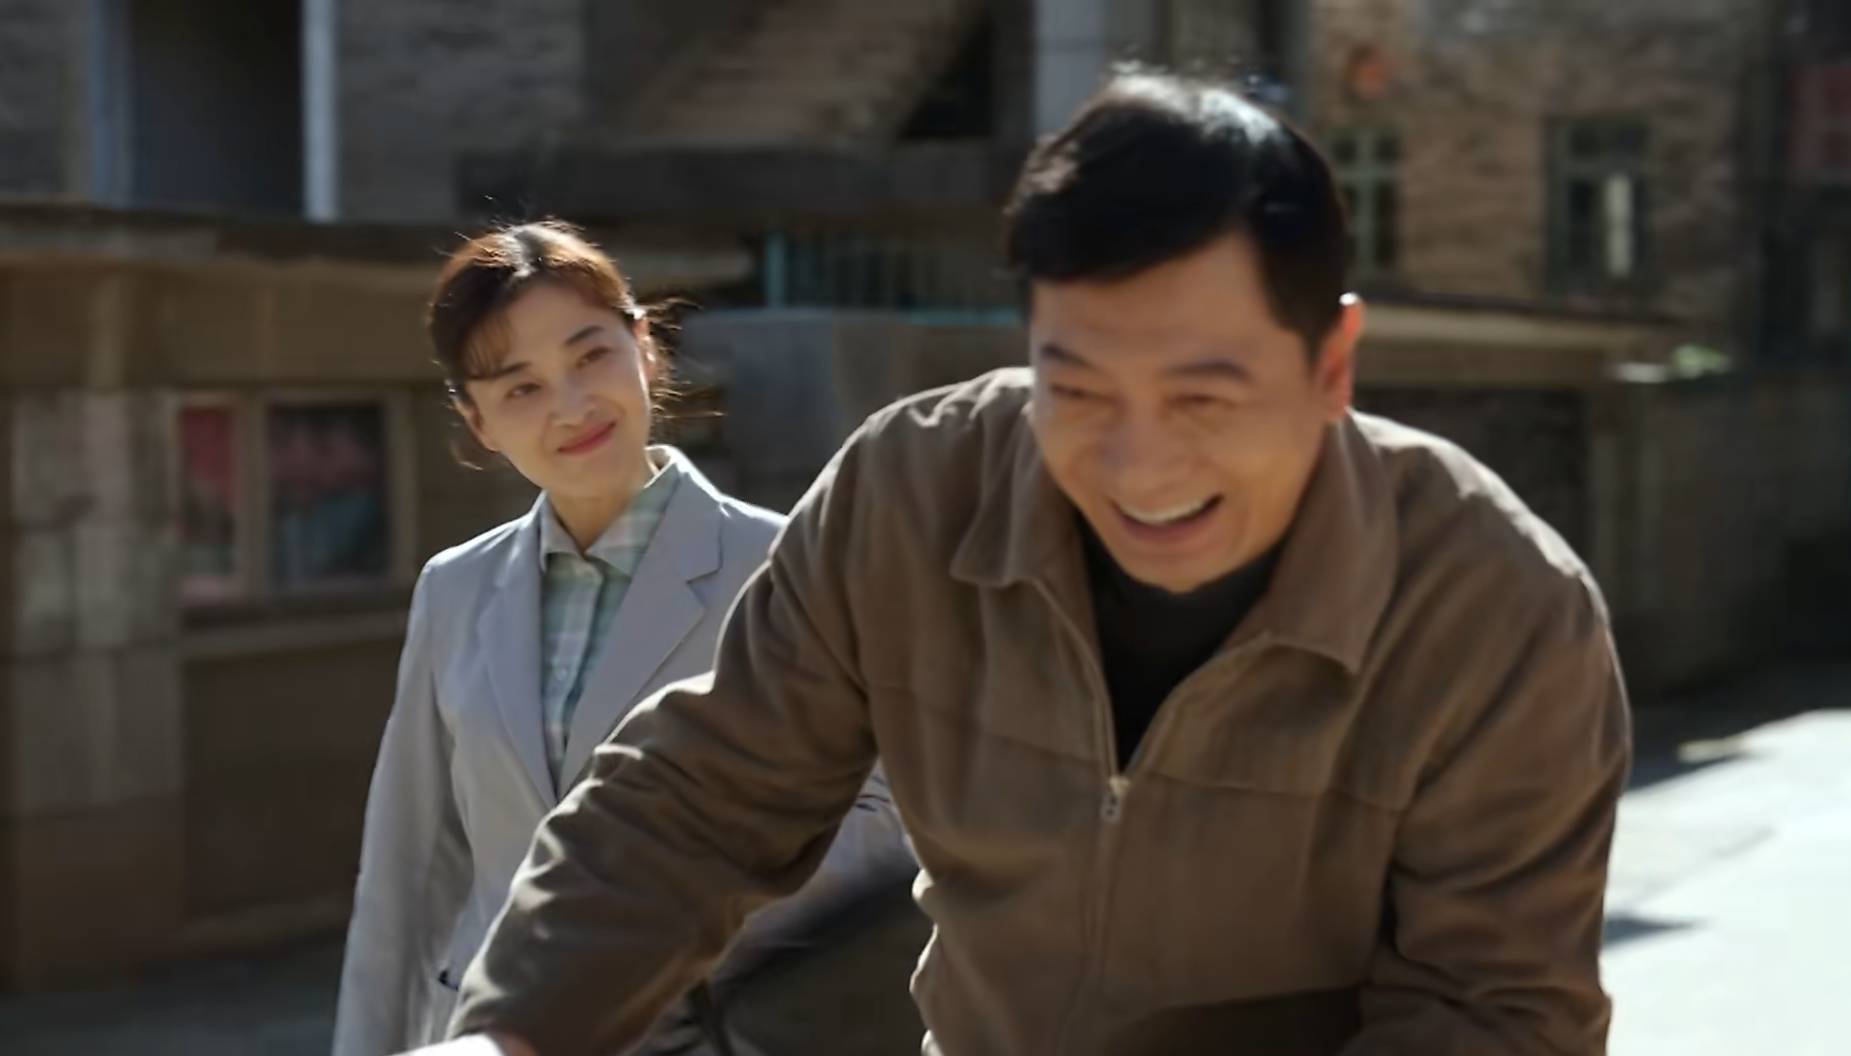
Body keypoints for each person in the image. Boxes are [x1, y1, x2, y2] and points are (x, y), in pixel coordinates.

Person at [425, 71, 1631, 1056]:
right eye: (1079, 388)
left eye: (1204, 397)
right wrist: (511, 1034)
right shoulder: (913, 492)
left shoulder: (1496, 609)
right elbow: (702, 796)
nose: (1140, 466)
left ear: (1333, 364)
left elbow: (1495, 1016)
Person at [331, 222, 914, 1056]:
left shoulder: (789, 566)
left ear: (643, 346)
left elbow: (883, 822)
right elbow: (409, 875)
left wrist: (666, 903)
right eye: (521, 388)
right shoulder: (453, 588)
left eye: (590, 356)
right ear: (477, 420)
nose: (570, 407)